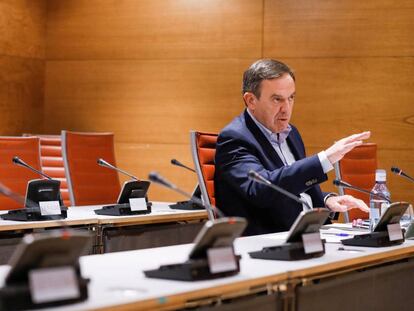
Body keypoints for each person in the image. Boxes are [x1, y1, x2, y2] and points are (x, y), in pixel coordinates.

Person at [214, 59, 370, 236]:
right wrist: (325, 159)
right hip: (270, 241)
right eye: (277, 99)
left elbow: (292, 186)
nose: (286, 109)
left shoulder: (291, 133)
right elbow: (263, 189)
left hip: (310, 234)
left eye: (291, 98)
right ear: (251, 100)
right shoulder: (234, 138)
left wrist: (327, 200)